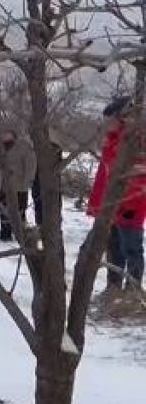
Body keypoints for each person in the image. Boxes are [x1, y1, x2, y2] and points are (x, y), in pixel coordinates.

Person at [86, 96, 146, 294]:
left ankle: (133, 292)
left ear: (122, 119)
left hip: (130, 203)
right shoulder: (112, 141)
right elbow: (105, 175)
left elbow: (139, 170)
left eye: (109, 120)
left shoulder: (136, 140)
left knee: (131, 249)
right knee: (113, 248)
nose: (106, 124)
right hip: (111, 204)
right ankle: (113, 288)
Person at [0, 126, 36, 242]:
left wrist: (28, 181)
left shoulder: (24, 147)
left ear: (13, 134)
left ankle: (21, 234)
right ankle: (5, 234)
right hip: (3, 184)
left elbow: (30, 164)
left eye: (7, 133)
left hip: (19, 184)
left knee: (19, 211)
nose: (4, 136)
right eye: (2, 134)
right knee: (3, 209)